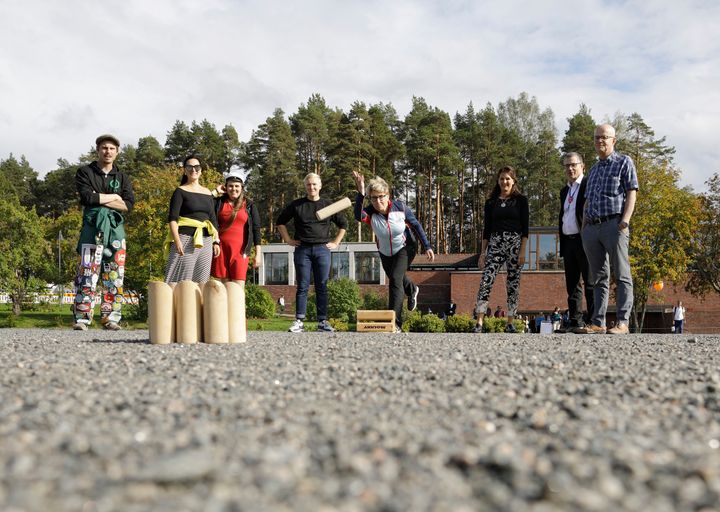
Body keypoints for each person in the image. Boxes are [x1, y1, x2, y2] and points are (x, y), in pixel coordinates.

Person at [352, 171, 435, 332]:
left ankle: (395, 323)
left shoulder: (400, 207)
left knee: (395, 281)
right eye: (374, 198)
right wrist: (361, 193)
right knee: (397, 278)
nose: (377, 201)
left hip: (405, 247)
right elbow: (357, 215)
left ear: (387, 195)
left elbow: (416, 226)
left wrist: (427, 246)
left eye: (381, 196)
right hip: (385, 252)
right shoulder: (370, 212)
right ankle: (412, 289)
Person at [577, 124, 639, 334]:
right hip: (592, 229)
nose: (600, 141)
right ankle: (598, 322)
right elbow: (587, 200)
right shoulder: (593, 170)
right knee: (598, 277)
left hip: (615, 225)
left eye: (604, 137)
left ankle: (622, 322)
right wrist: (584, 225)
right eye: (596, 138)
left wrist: (626, 220)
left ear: (614, 140)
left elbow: (631, 191)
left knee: (622, 274)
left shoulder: (624, 162)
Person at [72, 134, 135, 331]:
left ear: (117, 152)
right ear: (98, 150)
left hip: (115, 231)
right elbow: (86, 198)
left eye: (111, 148)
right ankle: (82, 318)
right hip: (93, 228)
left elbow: (128, 205)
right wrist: (114, 197)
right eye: (104, 148)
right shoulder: (85, 172)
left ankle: (111, 317)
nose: (108, 151)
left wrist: (100, 197)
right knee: (87, 273)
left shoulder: (123, 177)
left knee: (115, 275)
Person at [277, 173, 348, 333]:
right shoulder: (297, 205)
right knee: (302, 286)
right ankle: (299, 321)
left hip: (322, 250)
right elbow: (280, 221)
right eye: (309, 185)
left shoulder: (328, 205)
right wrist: (288, 239)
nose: (312, 187)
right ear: (305, 186)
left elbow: (343, 224)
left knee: (321, 286)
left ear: (320, 186)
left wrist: (336, 242)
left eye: (315, 184)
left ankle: (322, 322)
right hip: (303, 250)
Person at [473, 166, 529, 333]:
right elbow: (487, 230)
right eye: (501, 179)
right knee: (486, 280)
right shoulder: (491, 202)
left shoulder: (521, 201)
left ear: (513, 181)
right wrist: (483, 253)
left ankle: (510, 321)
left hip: (514, 243)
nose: (504, 182)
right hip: (495, 243)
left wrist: (522, 252)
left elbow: (525, 229)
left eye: (507, 179)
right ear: (498, 181)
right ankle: (479, 321)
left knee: (513, 283)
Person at [164, 156, 220, 284]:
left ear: (201, 170)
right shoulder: (180, 191)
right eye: (189, 167)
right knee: (180, 279)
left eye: (197, 167)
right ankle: (175, 304)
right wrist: (177, 240)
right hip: (185, 238)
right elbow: (173, 219)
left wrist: (216, 241)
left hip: (206, 241)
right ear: (184, 170)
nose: (193, 170)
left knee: (201, 280)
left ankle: (197, 304)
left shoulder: (207, 193)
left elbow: (212, 219)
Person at [558, 152, 594, 333]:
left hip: (584, 240)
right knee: (572, 285)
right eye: (566, 166)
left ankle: (594, 321)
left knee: (590, 282)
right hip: (568, 241)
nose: (570, 168)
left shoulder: (588, 185)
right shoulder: (564, 190)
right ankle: (575, 321)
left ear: (582, 166)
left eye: (573, 165)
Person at [210, 171, 261, 288]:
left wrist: (258, 254)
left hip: (240, 251)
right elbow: (203, 202)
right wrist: (216, 192)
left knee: (237, 289)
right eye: (230, 186)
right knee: (222, 289)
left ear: (242, 188)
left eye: (237, 186)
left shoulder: (249, 205)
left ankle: (238, 308)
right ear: (226, 187)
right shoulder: (218, 203)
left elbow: (256, 229)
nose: (234, 189)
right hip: (221, 250)